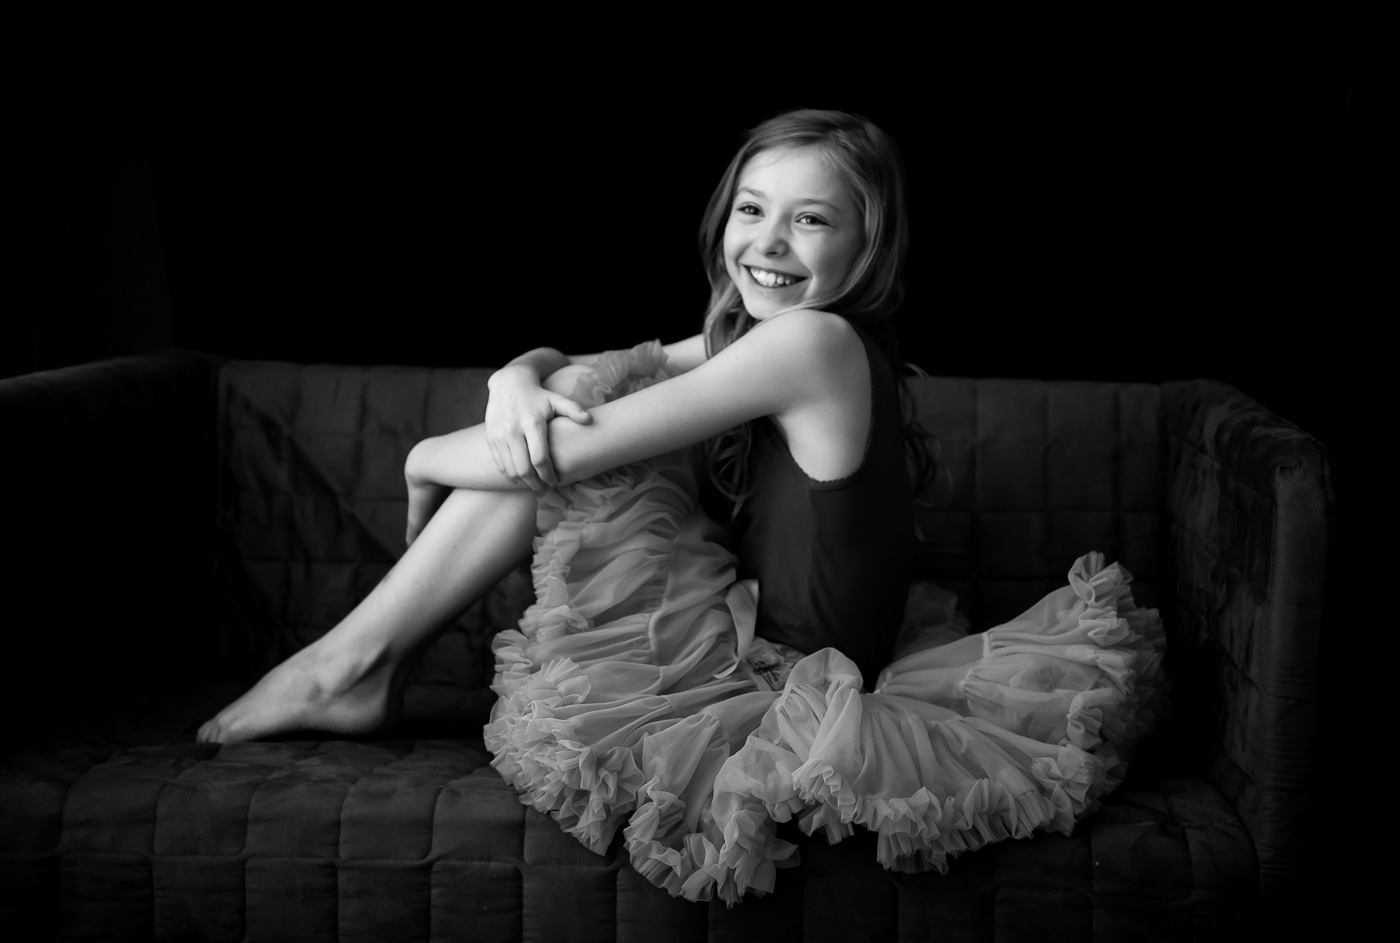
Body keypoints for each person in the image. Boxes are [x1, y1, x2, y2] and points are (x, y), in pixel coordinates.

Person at [198, 109, 1165, 906]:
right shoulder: (773, 335)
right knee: (572, 406)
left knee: (574, 454)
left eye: (811, 220)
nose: (769, 243)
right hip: (778, 636)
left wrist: (420, 457)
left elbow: (567, 450)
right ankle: (354, 665)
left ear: (869, 244)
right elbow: (589, 374)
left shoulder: (812, 345)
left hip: (784, 682)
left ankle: (348, 662)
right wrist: (515, 376)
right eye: (752, 208)